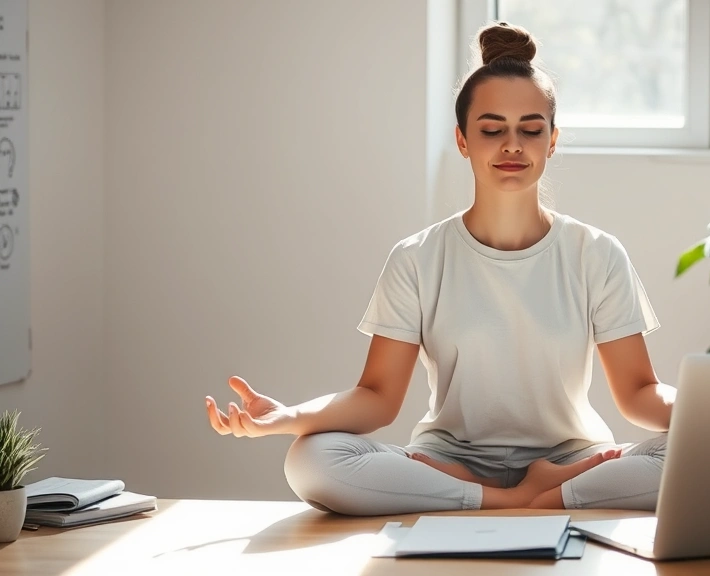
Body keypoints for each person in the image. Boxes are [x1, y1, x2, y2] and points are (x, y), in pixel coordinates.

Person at [205, 21, 676, 516]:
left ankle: (522, 494)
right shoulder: (417, 257)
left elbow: (640, 394)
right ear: (463, 140)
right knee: (311, 459)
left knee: (689, 455)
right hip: (448, 461)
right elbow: (377, 397)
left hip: (575, 457)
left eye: (531, 130)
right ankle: (521, 499)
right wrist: (288, 416)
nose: (512, 145)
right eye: (492, 130)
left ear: (552, 141)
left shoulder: (596, 253)